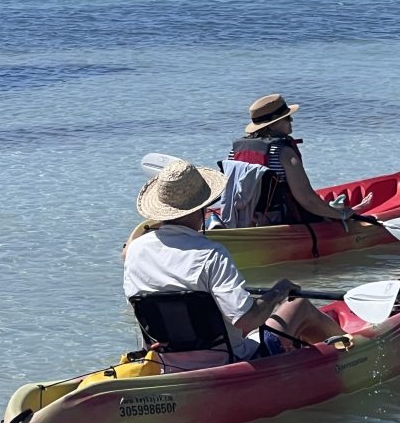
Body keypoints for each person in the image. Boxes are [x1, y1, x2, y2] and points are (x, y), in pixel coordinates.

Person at [123, 159, 341, 369]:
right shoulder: (211, 254)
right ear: (203, 206)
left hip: (165, 363)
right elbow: (247, 321)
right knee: (298, 307)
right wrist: (278, 292)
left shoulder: (135, 250)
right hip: (229, 361)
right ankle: (351, 351)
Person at [226, 93, 358, 226]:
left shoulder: (234, 152)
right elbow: (307, 200)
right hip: (280, 221)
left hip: (242, 218)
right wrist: (342, 214)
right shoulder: (284, 153)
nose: (291, 121)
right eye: (287, 118)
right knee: (342, 213)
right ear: (272, 125)